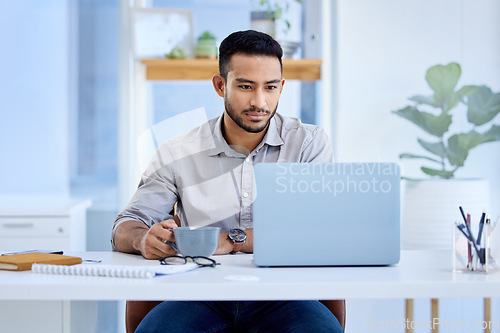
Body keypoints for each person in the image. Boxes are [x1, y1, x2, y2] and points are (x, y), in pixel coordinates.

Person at [112, 30, 343, 332]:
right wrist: (143, 239)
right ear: (220, 85)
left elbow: (322, 233)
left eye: (270, 87)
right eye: (246, 86)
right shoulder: (177, 152)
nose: (259, 101)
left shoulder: (308, 144)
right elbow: (125, 225)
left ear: (281, 87)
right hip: (195, 294)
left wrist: (230, 240)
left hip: (286, 294)